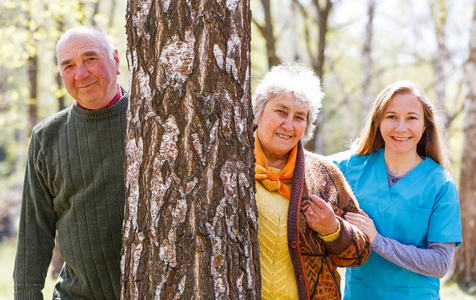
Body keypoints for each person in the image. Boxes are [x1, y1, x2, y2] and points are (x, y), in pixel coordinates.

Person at [13, 26, 128, 299]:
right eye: (68, 65)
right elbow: (34, 232)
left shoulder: (151, 123)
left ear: (115, 60)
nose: (81, 74)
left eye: (90, 58)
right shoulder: (46, 137)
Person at [331, 81, 462, 299]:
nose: (401, 128)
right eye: (391, 117)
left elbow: (440, 263)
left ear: (424, 125)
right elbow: (305, 167)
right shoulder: (351, 167)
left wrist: (377, 241)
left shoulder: (441, 184)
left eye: (411, 118)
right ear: (378, 122)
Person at [253, 62, 370, 300]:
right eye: (281, 111)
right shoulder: (227, 164)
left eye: (299, 117)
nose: (288, 125)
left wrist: (333, 231)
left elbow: (359, 253)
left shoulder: (324, 174)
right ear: (259, 111)